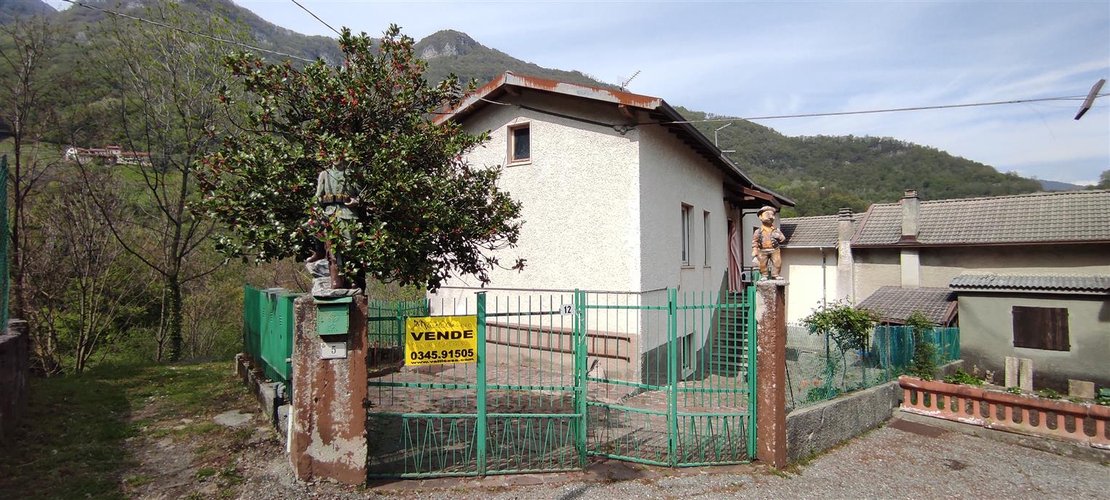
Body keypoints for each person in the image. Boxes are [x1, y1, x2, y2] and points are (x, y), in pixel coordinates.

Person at [751, 205, 786, 279]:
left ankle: (776, 274)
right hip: (762, 250)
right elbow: (755, 241)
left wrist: (779, 237)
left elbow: (783, 239)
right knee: (762, 264)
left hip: (775, 250)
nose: (770, 217)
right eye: (767, 214)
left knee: (777, 263)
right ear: (760, 217)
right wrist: (755, 249)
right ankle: (764, 275)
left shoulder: (776, 230)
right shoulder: (758, 231)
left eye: (772, 215)